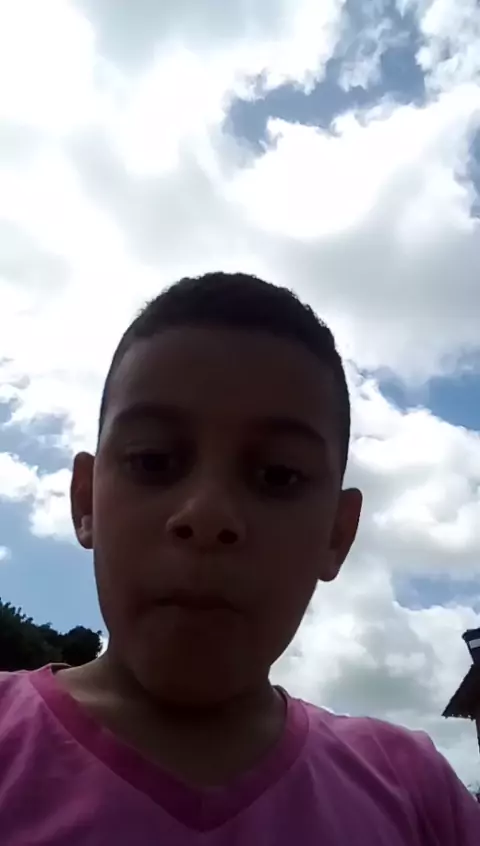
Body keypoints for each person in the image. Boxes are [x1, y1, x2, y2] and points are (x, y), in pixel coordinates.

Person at [0, 272, 478, 844]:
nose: (207, 515)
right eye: (152, 461)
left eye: (278, 475)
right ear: (86, 501)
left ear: (337, 533)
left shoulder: (417, 795)